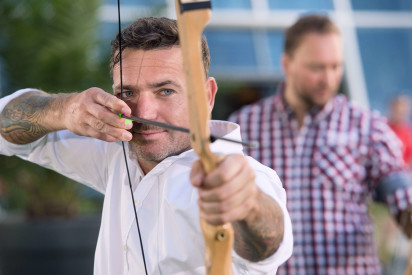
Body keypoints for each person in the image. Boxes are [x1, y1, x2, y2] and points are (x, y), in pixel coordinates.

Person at [0, 17, 292, 274]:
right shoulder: (116, 150)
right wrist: (63, 110)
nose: (144, 112)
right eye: (128, 92)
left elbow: (267, 249)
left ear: (207, 96)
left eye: (166, 91)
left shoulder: (248, 177)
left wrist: (247, 203)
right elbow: (5, 129)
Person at [229, 14, 412, 274]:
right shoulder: (245, 126)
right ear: (287, 64)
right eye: (317, 68)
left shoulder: (364, 125)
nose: (328, 78)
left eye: (336, 66)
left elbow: (395, 183)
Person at [388, 94, 412, 168]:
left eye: (403, 107)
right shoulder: (382, 128)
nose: (400, 111)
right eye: (397, 107)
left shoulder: (409, 133)